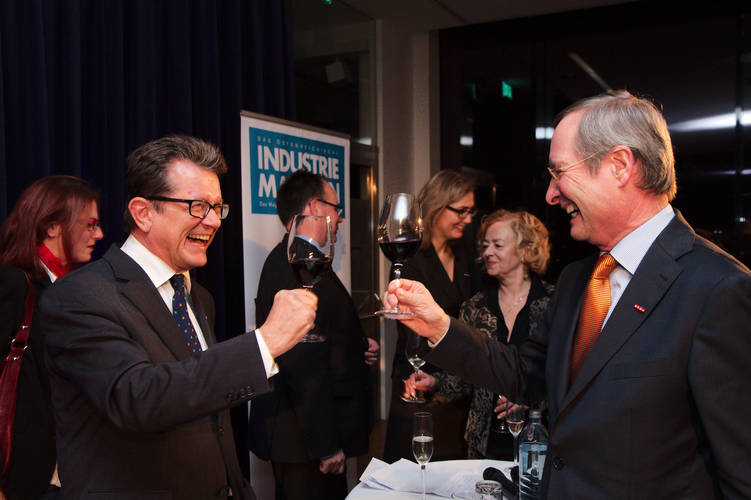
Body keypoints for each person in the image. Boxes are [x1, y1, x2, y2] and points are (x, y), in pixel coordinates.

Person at [383, 91, 751, 497]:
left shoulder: (717, 288)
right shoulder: (578, 280)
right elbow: (523, 374)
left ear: (619, 166)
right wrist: (438, 324)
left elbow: (741, 470)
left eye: (560, 172)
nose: (551, 194)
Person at [37, 135, 317, 500]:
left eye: (217, 207)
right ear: (143, 213)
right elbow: (137, 398)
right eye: (198, 207)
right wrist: (264, 343)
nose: (213, 221)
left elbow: (205, 408)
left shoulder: (197, 296)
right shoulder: (79, 296)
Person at [250, 169, 379, 500]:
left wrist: (356, 346)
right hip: (303, 440)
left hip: (309, 435)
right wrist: (326, 445)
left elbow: (323, 331)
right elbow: (302, 362)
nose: (340, 217)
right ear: (313, 207)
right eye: (336, 207)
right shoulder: (295, 265)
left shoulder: (304, 259)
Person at [405, 209, 554, 460]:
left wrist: (530, 400)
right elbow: (462, 378)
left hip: (539, 445)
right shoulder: (474, 307)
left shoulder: (553, 304)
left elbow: (565, 377)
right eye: (485, 246)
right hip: (484, 446)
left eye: (498, 245)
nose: (487, 253)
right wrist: (434, 383)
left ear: (526, 249)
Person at [0, 175, 103, 500]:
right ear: (52, 227)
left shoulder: (77, 292)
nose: (99, 234)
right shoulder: (15, 284)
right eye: (89, 224)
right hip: (23, 481)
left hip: (72, 475)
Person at [382, 170, 480, 463]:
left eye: (471, 211)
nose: (468, 219)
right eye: (461, 211)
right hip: (418, 377)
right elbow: (409, 326)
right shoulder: (410, 257)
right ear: (437, 207)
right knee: (415, 466)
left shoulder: (465, 254)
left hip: (459, 379)